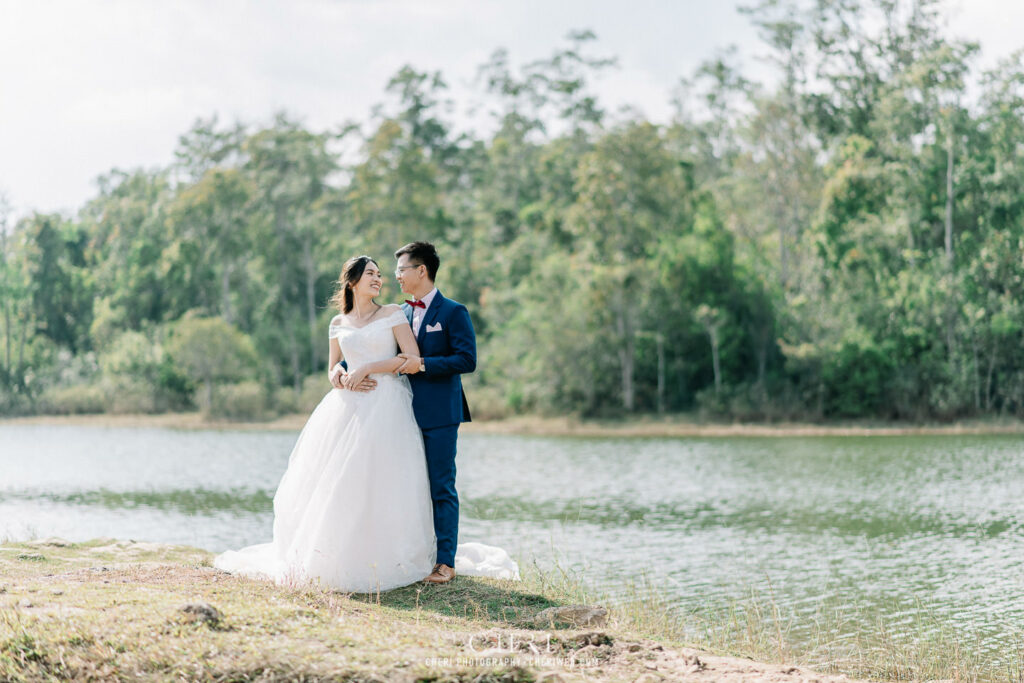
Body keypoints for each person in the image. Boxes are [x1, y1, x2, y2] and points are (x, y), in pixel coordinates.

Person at [213, 255, 516, 592]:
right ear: (352, 281)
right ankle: (340, 555)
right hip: (347, 407)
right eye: (371, 273)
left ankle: (423, 558)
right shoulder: (336, 322)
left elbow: (409, 358)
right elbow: (332, 368)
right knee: (343, 480)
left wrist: (368, 368)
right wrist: (340, 374)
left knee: (391, 480)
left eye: (382, 274)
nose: (379, 278)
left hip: (387, 404)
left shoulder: (392, 313)